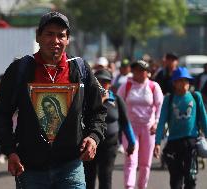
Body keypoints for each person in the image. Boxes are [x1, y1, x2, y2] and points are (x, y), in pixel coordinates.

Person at [0, 11, 106, 189]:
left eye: (61, 35)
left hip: (71, 168)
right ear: (38, 37)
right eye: (49, 34)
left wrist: (93, 137)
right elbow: (0, 114)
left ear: (68, 39)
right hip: (30, 169)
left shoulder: (80, 69)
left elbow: (97, 111)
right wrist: (10, 151)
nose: (55, 41)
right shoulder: (19, 70)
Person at [154, 67, 207, 189]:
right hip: (174, 143)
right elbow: (162, 121)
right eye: (180, 81)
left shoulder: (196, 96)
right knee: (176, 181)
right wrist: (157, 142)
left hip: (191, 143)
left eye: (186, 81)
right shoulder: (169, 98)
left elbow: (204, 119)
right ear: (174, 83)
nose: (184, 84)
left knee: (190, 179)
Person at [84, 69, 135, 189]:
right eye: (99, 81)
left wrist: (131, 142)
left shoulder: (116, 100)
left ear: (110, 83)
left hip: (109, 147)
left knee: (105, 177)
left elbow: (125, 123)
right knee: (88, 178)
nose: (102, 84)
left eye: (105, 81)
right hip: (89, 146)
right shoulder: (85, 100)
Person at [117, 60, 164, 189]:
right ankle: (129, 186)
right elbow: (118, 103)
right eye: (135, 70)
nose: (138, 73)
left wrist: (157, 122)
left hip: (148, 129)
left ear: (147, 72)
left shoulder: (153, 87)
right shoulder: (126, 85)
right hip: (130, 129)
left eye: (141, 70)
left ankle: (142, 186)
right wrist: (120, 122)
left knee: (145, 163)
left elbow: (160, 106)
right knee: (131, 160)